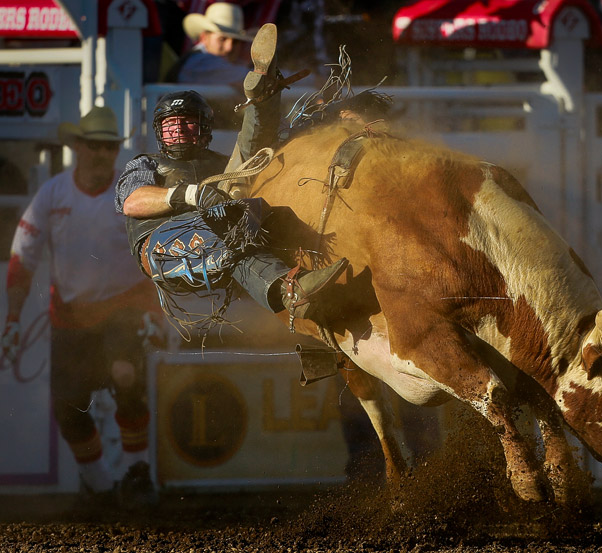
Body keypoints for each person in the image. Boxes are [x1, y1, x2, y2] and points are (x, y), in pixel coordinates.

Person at [116, 23, 348, 337]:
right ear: (159, 131)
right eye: (172, 125)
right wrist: (193, 194)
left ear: (205, 129)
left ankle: (263, 98)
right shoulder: (145, 163)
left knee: (266, 208)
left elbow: (248, 170)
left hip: (215, 232)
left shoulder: (217, 162)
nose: (181, 131)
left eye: (188, 124)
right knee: (232, 232)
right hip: (159, 248)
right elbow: (133, 202)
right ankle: (289, 293)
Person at [1, 106, 161, 507]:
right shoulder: (53, 193)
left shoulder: (130, 193)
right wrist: (14, 316)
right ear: (77, 146)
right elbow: (23, 258)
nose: (102, 153)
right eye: (94, 145)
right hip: (71, 316)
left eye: (109, 146)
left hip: (123, 307)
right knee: (68, 409)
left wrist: (157, 307)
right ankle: (101, 484)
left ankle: (136, 473)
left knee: (126, 376)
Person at [165, 2, 255, 86]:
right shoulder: (200, 62)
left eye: (235, 41)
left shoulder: (199, 60)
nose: (229, 48)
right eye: (222, 39)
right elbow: (253, 80)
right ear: (204, 37)